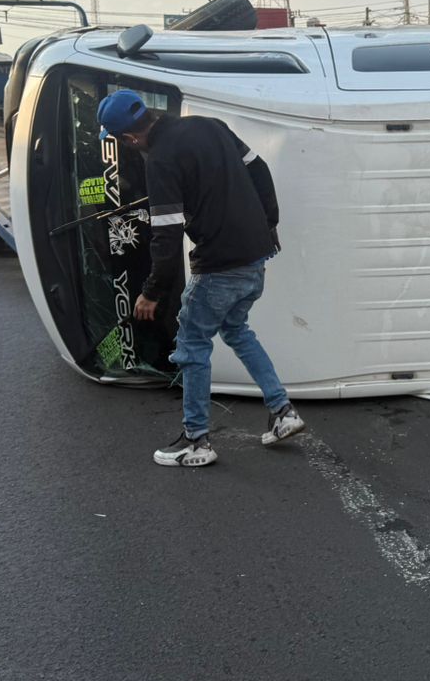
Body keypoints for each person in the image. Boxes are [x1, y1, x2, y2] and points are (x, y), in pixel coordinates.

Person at [98, 90, 305, 466]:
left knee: (192, 346)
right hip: (255, 257)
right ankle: (283, 412)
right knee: (237, 331)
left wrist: (151, 292)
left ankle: (196, 442)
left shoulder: (160, 160)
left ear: (129, 138)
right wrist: (268, 224)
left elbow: (166, 234)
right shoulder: (211, 126)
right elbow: (259, 169)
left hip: (219, 266)